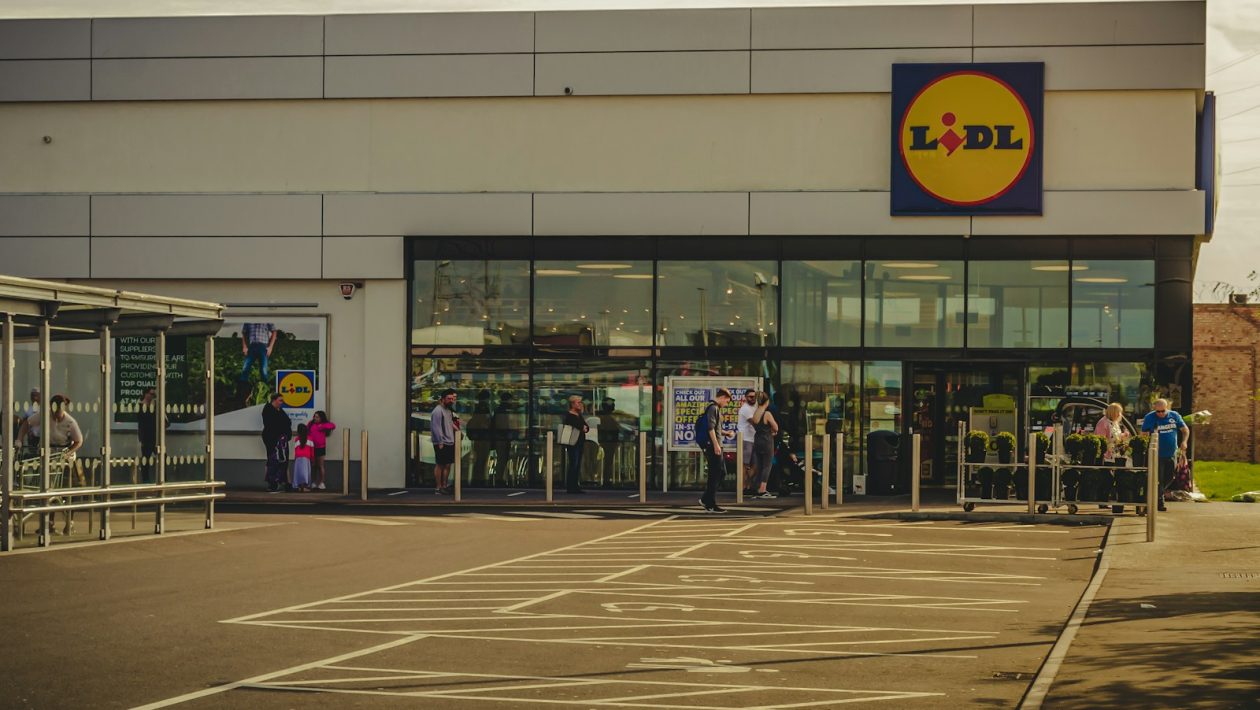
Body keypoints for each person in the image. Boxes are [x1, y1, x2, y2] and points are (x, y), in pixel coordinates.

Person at [1141, 398, 1188, 513]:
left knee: (1170, 477)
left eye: (1163, 411)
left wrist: (1184, 441)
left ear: (1167, 408)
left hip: (1171, 453)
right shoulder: (1150, 417)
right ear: (1154, 409)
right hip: (1157, 454)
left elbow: (1185, 430)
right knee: (1159, 479)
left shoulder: (1174, 416)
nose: (1161, 414)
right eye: (1158, 411)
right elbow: (1143, 434)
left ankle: (1157, 495)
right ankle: (1159, 502)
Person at [697, 388, 732, 513]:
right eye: (727, 401)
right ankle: (709, 502)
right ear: (722, 397)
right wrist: (716, 445)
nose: (726, 404)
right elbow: (710, 428)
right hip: (712, 446)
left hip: (713, 444)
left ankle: (707, 499)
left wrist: (725, 433)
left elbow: (715, 428)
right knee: (717, 473)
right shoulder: (713, 408)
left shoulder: (712, 408)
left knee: (718, 473)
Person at [1095, 402, 1130, 512]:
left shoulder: (1113, 423)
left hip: (1114, 455)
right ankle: (1102, 501)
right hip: (1106, 455)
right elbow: (1101, 438)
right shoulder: (1103, 423)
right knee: (1107, 478)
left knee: (1110, 479)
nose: (1120, 414)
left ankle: (1104, 500)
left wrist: (1123, 436)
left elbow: (1116, 437)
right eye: (1119, 412)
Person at [237, 323, 278, 404]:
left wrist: (270, 347)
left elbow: (274, 331)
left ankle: (265, 395)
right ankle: (240, 395)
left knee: (264, 371)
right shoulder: (248, 320)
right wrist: (244, 346)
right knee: (245, 369)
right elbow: (244, 333)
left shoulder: (266, 318)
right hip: (252, 346)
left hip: (263, 346)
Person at [750, 391, 780, 499]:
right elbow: (776, 427)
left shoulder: (755, 414)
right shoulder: (767, 414)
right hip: (767, 440)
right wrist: (772, 431)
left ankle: (757, 487)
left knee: (760, 465)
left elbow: (755, 426)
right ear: (767, 401)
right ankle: (763, 489)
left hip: (757, 440)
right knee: (767, 465)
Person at [261, 392, 291, 492]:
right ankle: (272, 482)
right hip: (273, 439)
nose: (282, 403)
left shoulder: (280, 410)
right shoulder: (268, 410)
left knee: (283, 460)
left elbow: (287, 422)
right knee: (273, 460)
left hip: (282, 439)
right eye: (280, 400)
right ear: (274, 400)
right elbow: (272, 424)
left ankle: (282, 481)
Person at [431, 388, 458, 495]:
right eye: (448, 398)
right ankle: (438, 487)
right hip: (442, 442)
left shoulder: (448, 411)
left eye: (452, 398)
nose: (451, 400)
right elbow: (436, 427)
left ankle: (444, 485)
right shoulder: (437, 411)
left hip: (450, 441)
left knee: (447, 465)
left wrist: (458, 430)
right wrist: (440, 442)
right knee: (440, 464)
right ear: (442, 399)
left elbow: (450, 423)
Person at [561, 395, 590, 494]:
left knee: (577, 464)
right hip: (573, 442)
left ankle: (575, 485)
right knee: (574, 463)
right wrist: (582, 427)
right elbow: (578, 425)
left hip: (579, 441)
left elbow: (586, 426)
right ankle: (571, 486)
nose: (580, 404)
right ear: (572, 404)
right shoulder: (570, 415)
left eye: (580, 402)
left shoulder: (578, 415)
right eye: (578, 402)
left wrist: (583, 427)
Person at [466, 390, 493, 486]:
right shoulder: (484, 408)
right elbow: (485, 422)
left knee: (479, 459)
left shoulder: (478, 407)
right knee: (482, 459)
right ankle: (480, 479)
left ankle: (477, 478)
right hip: (483, 438)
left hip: (478, 438)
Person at [596, 399, 623, 487]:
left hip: (607, 442)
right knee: (608, 461)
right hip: (608, 443)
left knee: (607, 461)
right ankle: (606, 480)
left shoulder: (602, 418)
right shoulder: (607, 418)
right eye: (612, 405)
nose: (614, 407)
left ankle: (605, 479)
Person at [308, 410, 336, 491]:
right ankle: (313, 482)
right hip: (312, 447)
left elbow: (333, 426)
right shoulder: (311, 424)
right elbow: (306, 430)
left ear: (321, 418)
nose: (315, 418)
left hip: (320, 447)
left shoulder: (323, 425)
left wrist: (322, 426)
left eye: (317, 417)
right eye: (314, 416)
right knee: (313, 466)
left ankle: (321, 482)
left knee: (320, 465)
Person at [737, 390, 757, 493]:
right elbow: (754, 422)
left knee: (755, 464)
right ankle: (742, 487)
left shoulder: (754, 407)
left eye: (754, 397)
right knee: (744, 464)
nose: (753, 398)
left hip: (753, 438)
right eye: (750, 397)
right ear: (745, 397)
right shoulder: (745, 408)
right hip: (745, 439)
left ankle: (748, 486)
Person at [292, 423, 314, 492]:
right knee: (306, 472)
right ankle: (305, 487)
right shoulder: (310, 439)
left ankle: (299, 486)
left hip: (298, 458)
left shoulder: (296, 439)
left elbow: (296, 450)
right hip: (306, 458)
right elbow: (312, 450)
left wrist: (295, 458)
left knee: (298, 472)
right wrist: (313, 459)